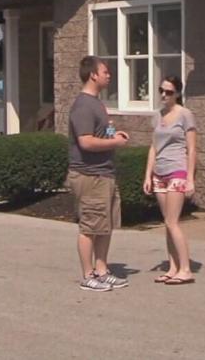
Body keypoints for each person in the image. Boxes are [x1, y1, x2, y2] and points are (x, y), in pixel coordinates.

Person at [68, 56, 131, 292]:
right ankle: (88, 274)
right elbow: (85, 142)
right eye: (105, 71)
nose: (109, 75)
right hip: (89, 175)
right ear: (93, 74)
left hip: (105, 174)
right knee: (90, 226)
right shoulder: (83, 105)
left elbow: (100, 134)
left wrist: (114, 134)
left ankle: (102, 270)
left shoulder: (97, 104)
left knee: (105, 225)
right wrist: (114, 142)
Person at [142, 75, 197, 285]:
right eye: (161, 91)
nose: (164, 95)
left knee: (173, 222)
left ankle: (186, 268)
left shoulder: (185, 115)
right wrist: (148, 174)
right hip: (160, 172)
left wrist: (190, 178)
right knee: (167, 222)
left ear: (178, 94)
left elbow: (192, 149)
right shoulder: (157, 116)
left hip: (177, 170)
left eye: (169, 92)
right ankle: (172, 267)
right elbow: (153, 147)